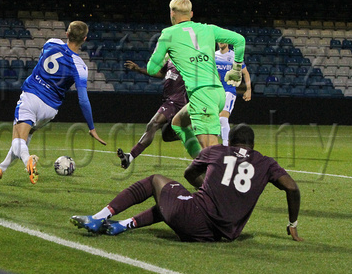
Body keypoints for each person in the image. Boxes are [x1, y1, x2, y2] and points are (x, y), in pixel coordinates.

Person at [71, 124, 303, 242]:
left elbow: (189, 173)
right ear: (252, 144)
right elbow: (292, 187)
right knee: (178, 199)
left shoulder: (219, 151)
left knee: (156, 181)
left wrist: (207, 185)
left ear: (230, 141)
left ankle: (100, 217)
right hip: (218, 235)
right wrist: (292, 222)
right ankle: (123, 225)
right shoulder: (266, 163)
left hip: (193, 218)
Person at [0, 21, 106, 184]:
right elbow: (83, 99)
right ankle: (1, 169)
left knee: (18, 138)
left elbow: (41, 63)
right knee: (28, 133)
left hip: (32, 96)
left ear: (67, 34)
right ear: (85, 39)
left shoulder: (51, 43)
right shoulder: (80, 66)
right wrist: (92, 127)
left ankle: (28, 161)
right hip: (50, 109)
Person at [145, 0, 246, 159]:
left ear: (172, 13)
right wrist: (236, 69)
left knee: (211, 149)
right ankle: (201, 167)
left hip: (201, 95)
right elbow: (240, 40)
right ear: (191, 14)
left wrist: (165, 56)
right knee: (178, 123)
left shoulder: (168, 34)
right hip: (217, 93)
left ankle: (222, 178)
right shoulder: (208, 29)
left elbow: (151, 69)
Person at [116, 59, 187, 169]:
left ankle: (130, 157)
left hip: (176, 102)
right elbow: (161, 74)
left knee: (153, 124)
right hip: (168, 100)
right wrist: (139, 69)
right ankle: (195, 136)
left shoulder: (187, 59)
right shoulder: (170, 61)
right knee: (167, 136)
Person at [215, 42, 252, 146]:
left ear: (227, 42)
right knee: (215, 119)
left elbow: (245, 72)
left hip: (229, 91)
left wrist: (248, 89)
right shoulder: (213, 55)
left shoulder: (234, 56)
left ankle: (226, 145)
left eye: (223, 40)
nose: (221, 42)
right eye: (219, 40)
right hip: (216, 91)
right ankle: (216, 144)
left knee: (223, 118)